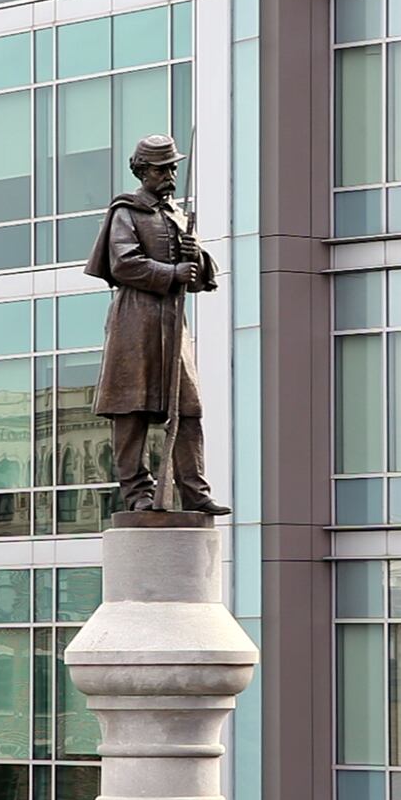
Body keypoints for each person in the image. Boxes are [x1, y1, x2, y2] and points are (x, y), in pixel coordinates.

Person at [84, 134, 231, 515]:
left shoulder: (178, 215)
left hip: (172, 324)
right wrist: (173, 271)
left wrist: (196, 258)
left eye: (173, 167)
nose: (170, 175)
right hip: (136, 321)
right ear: (143, 171)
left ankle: (194, 491)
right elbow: (124, 264)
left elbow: (198, 276)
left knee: (187, 407)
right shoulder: (126, 212)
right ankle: (138, 494)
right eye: (162, 168)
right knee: (131, 410)